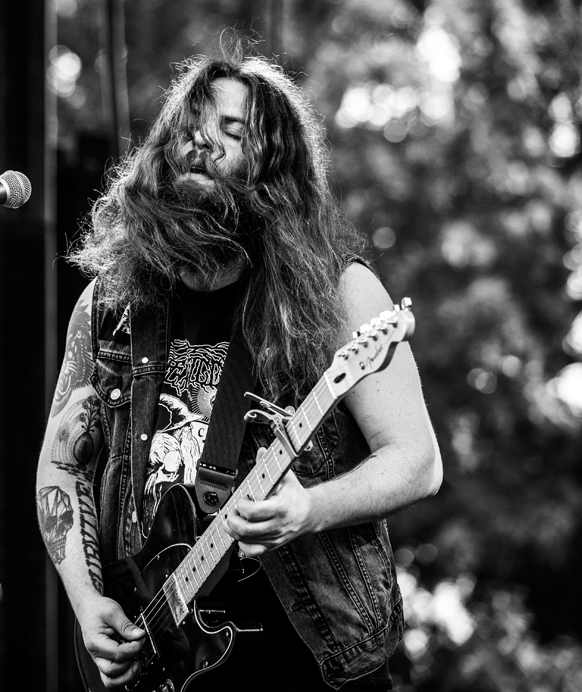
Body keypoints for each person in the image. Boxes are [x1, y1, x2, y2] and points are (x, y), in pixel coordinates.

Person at [36, 47, 442, 690]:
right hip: (162, 651)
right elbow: (61, 462)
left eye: (235, 132)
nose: (205, 144)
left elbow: (417, 460)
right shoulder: (110, 306)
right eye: (194, 127)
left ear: (272, 169)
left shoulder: (338, 294)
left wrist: (309, 508)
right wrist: (87, 602)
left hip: (311, 657)